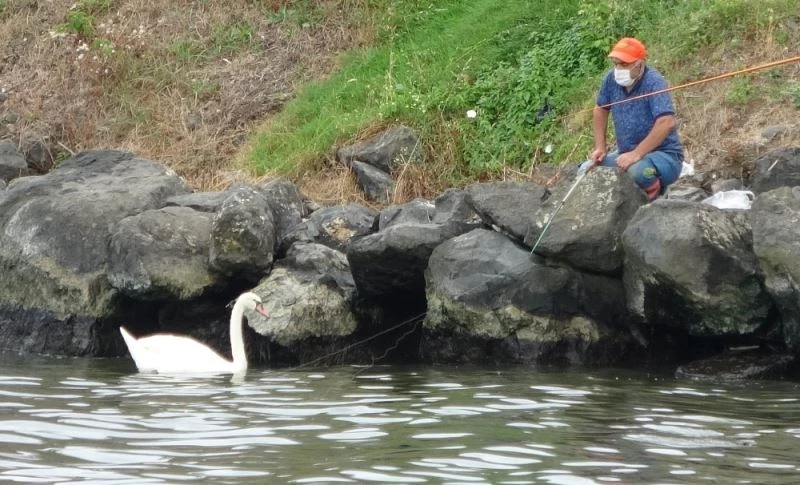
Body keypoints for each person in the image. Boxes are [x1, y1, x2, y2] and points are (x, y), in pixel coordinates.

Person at [579, 37, 684, 201]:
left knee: (639, 172)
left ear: (639, 63)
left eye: (625, 64)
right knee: (587, 169)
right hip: (625, 154)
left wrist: (636, 153)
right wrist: (600, 147)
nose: (619, 68)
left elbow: (666, 122)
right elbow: (600, 109)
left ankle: (656, 195)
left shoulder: (654, 82)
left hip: (664, 156)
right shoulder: (610, 79)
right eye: (616, 63)